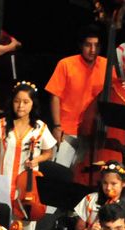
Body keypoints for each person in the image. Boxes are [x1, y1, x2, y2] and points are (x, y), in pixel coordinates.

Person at [0, 82, 55, 230]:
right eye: (17, 101)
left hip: (27, 187)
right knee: (1, 229)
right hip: (3, 182)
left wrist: (37, 160)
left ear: (33, 104)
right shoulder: (1, 124)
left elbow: (50, 151)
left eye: (26, 102)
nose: (21, 106)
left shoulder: (40, 128)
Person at [45, 24, 108, 166]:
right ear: (81, 45)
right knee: (61, 169)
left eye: (96, 46)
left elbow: (115, 93)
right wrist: (57, 126)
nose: (93, 50)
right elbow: (55, 96)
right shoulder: (66, 64)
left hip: (93, 133)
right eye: (88, 45)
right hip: (67, 130)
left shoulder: (107, 65)